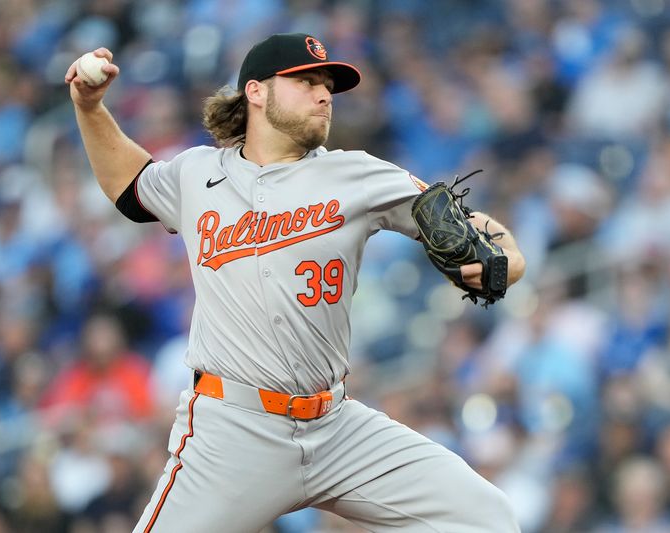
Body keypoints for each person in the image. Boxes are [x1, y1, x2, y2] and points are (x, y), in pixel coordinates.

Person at [66, 33, 525, 533]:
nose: (324, 94)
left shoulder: (356, 174)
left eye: (327, 84)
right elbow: (130, 184)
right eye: (306, 81)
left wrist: (508, 251)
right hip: (233, 430)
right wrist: (90, 109)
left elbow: (462, 220)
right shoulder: (197, 174)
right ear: (256, 92)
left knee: (488, 519)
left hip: (336, 427)